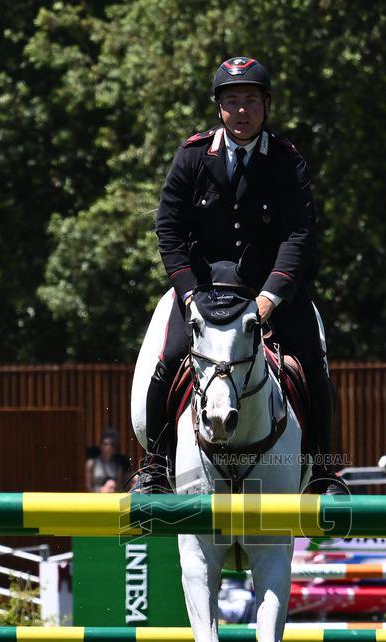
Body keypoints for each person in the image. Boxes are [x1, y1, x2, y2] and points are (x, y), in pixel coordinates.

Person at [133, 55, 347, 494]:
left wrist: (271, 297)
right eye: (232, 101)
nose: (242, 111)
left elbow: (299, 235)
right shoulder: (191, 156)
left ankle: (325, 471)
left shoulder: (288, 161)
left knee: (312, 364)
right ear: (219, 108)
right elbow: (168, 230)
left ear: (266, 105)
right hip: (204, 295)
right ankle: (154, 465)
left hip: (273, 292)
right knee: (169, 358)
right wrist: (189, 295)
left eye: (251, 100)